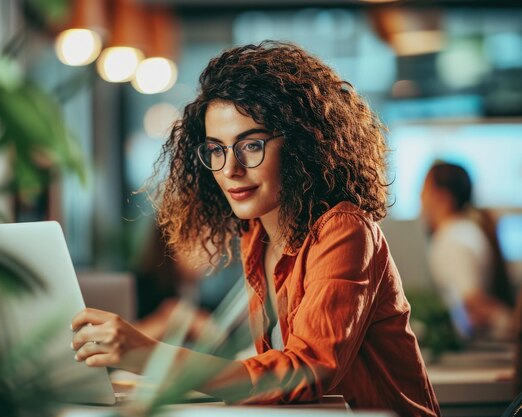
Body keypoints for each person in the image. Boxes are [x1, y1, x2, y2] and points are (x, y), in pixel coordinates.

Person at [70, 41, 440, 415]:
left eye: (250, 145)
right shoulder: (257, 236)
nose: (230, 169)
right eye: (217, 149)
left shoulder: (344, 230)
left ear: (301, 145)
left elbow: (305, 373)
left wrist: (149, 355)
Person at [420, 161, 514, 342]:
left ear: (442, 197)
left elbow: (474, 305)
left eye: (424, 190)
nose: (420, 199)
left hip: (485, 344)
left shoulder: (453, 239)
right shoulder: (464, 231)